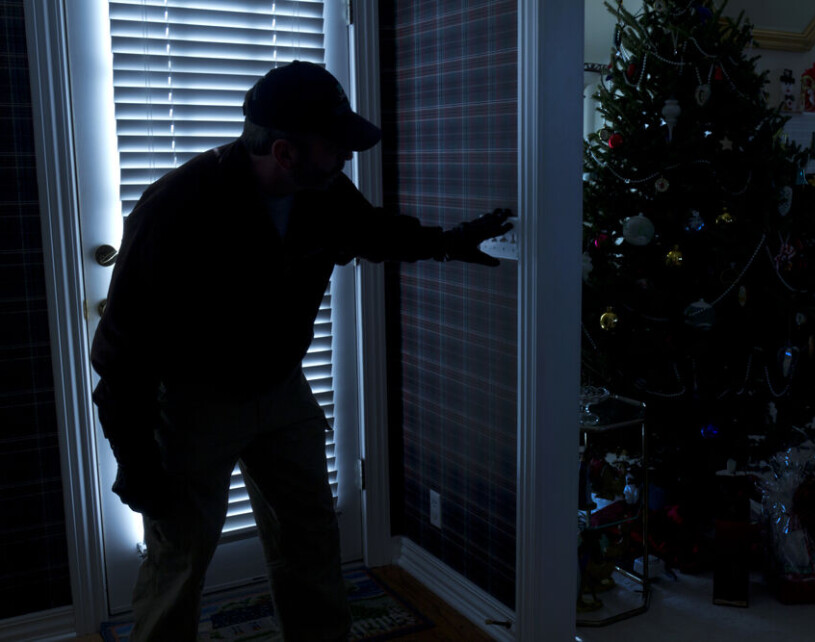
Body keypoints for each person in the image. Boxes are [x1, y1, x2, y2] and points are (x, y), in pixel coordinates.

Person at [90, 60, 512, 641]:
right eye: (333, 146)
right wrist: (134, 457)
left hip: (282, 391)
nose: (345, 157)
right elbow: (120, 351)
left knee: (309, 537)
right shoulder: (176, 207)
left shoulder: (324, 192)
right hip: (192, 405)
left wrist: (449, 242)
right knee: (179, 556)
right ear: (285, 152)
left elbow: (374, 230)